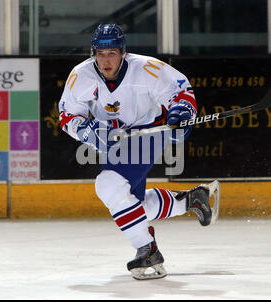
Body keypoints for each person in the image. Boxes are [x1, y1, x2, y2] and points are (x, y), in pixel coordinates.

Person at [58, 24, 220, 280]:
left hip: (150, 130)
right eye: (100, 53)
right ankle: (192, 200)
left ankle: (147, 249)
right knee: (131, 203)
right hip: (116, 139)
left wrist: (181, 112)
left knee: (108, 185)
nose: (105, 60)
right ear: (93, 54)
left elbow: (180, 90)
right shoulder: (81, 75)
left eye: (111, 53)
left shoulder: (145, 68)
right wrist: (89, 131)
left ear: (123, 53)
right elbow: (67, 116)